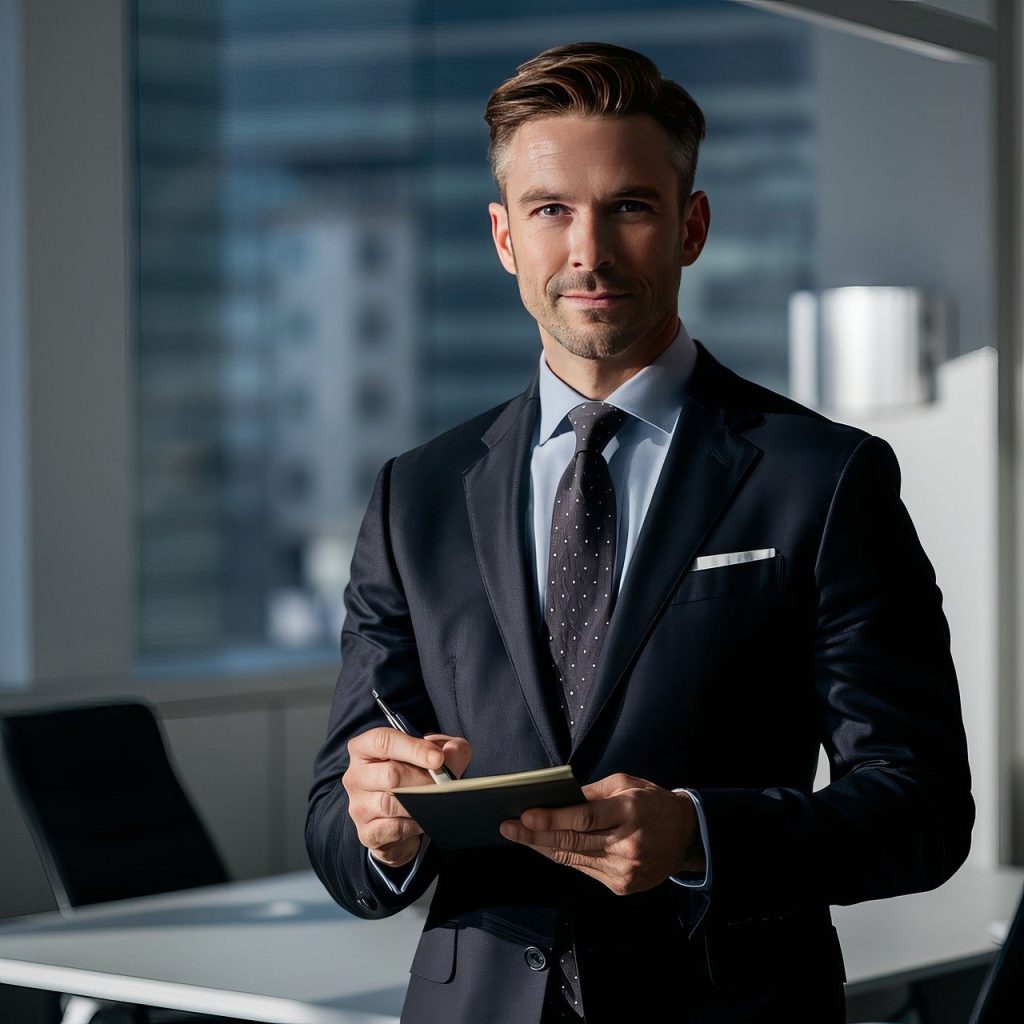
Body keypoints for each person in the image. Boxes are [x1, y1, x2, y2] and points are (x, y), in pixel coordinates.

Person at [306, 42, 974, 1023]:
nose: (587, 250)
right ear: (502, 236)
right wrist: (376, 827)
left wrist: (700, 833)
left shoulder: (822, 478)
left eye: (627, 205)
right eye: (549, 211)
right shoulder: (419, 496)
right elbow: (335, 825)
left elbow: (919, 808)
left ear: (690, 225)